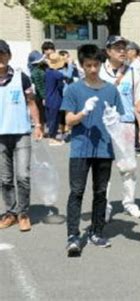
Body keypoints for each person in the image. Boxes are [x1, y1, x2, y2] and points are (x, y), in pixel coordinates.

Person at [61, 44, 124, 257]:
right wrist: (82, 113)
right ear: (82, 65)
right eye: (89, 65)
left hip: (105, 148)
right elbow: (68, 120)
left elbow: (120, 119)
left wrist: (115, 120)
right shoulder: (73, 89)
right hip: (80, 149)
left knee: (100, 191)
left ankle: (97, 231)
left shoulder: (110, 89)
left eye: (96, 64)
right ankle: (72, 235)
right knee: (77, 191)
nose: (93, 69)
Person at [100, 35, 140, 219]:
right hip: (104, 125)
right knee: (103, 167)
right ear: (108, 51)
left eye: (124, 48)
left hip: (126, 123)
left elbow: (138, 100)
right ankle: (103, 204)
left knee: (129, 167)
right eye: (117, 48)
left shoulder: (134, 71)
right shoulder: (99, 70)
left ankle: (129, 202)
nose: (122, 51)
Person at [0, 39, 43, 232]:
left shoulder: (21, 77)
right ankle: (10, 212)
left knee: (23, 176)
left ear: (9, 55)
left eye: (2, 53)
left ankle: (23, 213)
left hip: (21, 133)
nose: (0, 58)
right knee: (5, 178)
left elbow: (31, 102)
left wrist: (38, 125)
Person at [45, 52, 66, 145]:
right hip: (56, 98)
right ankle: (52, 138)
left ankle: (51, 135)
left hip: (48, 98)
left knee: (51, 119)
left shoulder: (47, 72)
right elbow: (61, 87)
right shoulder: (58, 75)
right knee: (55, 119)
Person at [28, 50, 47, 130]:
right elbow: (39, 86)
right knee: (40, 113)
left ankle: (42, 129)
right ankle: (41, 130)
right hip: (38, 96)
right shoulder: (36, 71)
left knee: (41, 113)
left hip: (40, 94)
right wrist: (44, 97)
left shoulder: (39, 68)